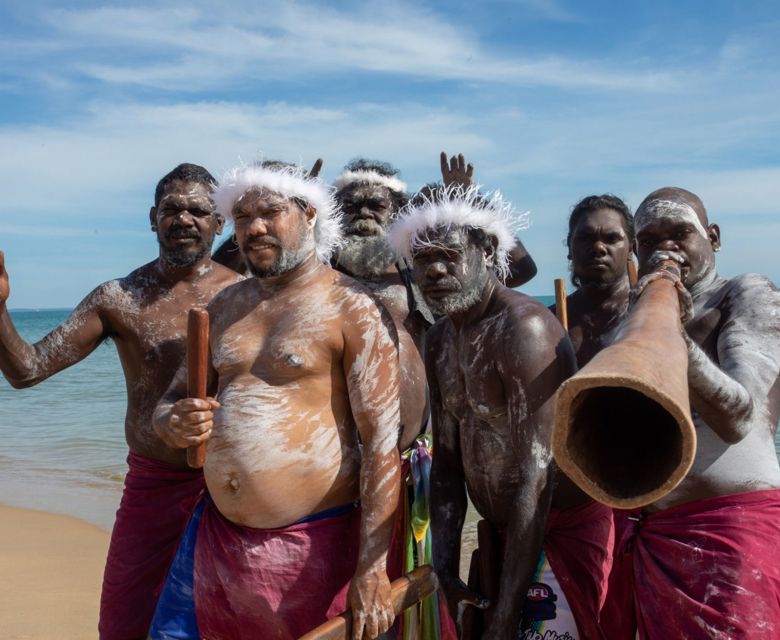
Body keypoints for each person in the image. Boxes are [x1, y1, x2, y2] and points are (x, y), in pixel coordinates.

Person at [149, 161, 401, 640]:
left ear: (308, 214)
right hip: (215, 539)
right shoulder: (224, 306)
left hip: (313, 544)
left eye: (270, 212)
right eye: (242, 217)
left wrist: (371, 568)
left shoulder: (354, 307)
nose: (254, 227)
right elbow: (172, 402)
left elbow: (382, 449)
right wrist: (172, 422)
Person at [0, 163, 241, 639]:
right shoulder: (119, 298)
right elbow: (26, 369)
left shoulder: (245, 295)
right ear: (152, 219)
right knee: (124, 623)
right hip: (152, 487)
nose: (184, 219)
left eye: (198, 210)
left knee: (226, 622)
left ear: (220, 223)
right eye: (172, 209)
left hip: (234, 487)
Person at [388, 183, 576, 639]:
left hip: (555, 540)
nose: (432, 271)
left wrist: (509, 612)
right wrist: (447, 574)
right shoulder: (442, 339)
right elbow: (449, 463)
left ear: (487, 249)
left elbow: (540, 474)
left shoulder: (524, 328)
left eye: (447, 255)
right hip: (500, 540)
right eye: (422, 259)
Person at [601, 187, 780, 639]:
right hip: (657, 536)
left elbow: (741, 416)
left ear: (713, 237)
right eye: (649, 240)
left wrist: (673, 336)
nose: (665, 248)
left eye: (680, 233)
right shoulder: (632, 316)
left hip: (734, 533)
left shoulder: (744, 293)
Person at [541, 194, 636, 639]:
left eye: (611, 238)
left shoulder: (651, 318)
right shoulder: (546, 323)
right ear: (570, 247)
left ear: (631, 247)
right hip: (569, 500)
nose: (598, 248)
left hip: (641, 496)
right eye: (586, 238)